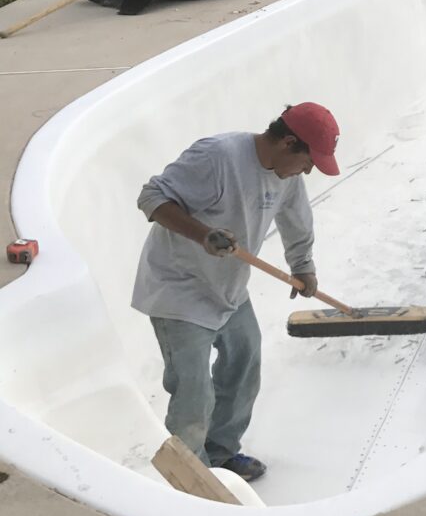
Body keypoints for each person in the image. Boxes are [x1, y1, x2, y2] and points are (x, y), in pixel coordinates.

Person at [132, 103, 340, 482]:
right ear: (288, 142)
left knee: (244, 365)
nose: (309, 170)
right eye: (308, 161)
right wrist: (202, 235)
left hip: (227, 287)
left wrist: (303, 265)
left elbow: (295, 217)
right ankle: (194, 480)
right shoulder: (218, 156)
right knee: (194, 393)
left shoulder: (287, 173)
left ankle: (221, 454)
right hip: (179, 288)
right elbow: (151, 196)